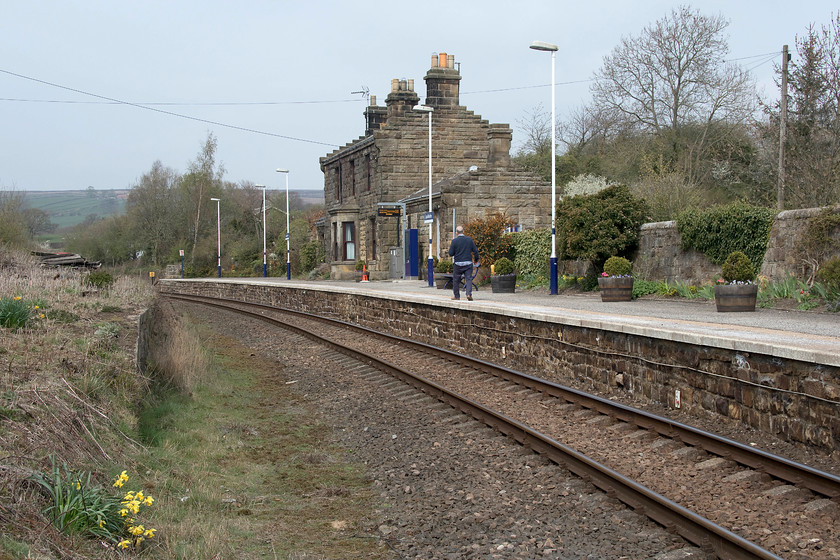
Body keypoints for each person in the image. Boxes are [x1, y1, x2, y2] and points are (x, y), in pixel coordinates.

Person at [447, 225, 480, 301]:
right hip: (468, 263)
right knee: (468, 279)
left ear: (456, 233)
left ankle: (457, 296)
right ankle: (468, 294)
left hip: (458, 264)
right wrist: (476, 260)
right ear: (463, 232)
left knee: (456, 280)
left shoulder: (454, 241)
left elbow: (451, 253)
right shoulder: (469, 240)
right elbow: (475, 251)